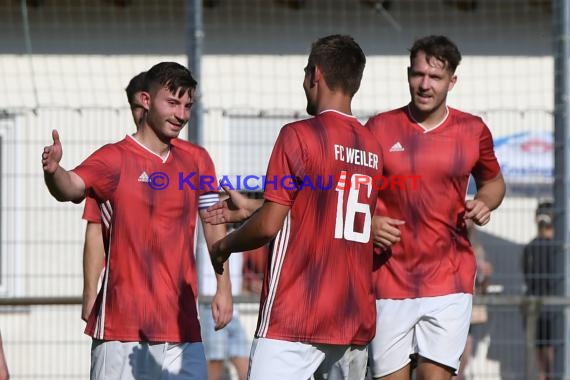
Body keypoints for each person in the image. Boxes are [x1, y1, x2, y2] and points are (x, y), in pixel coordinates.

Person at [205, 34, 383, 380]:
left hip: (297, 317)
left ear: (314, 74)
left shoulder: (298, 135)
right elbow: (321, 210)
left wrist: (225, 245)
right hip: (352, 318)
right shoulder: (372, 147)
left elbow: (272, 226)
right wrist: (253, 208)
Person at [42, 61, 233, 379]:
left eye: (187, 106)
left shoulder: (195, 161)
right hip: (124, 329)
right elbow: (72, 188)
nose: (181, 115)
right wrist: (54, 173)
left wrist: (223, 287)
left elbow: (214, 223)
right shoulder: (114, 158)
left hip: (182, 328)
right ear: (146, 100)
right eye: (172, 103)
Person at [366, 35, 506, 380]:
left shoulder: (472, 130)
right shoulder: (379, 128)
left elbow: (494, 182)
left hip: (449, 279)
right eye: (418, 75)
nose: (424, 85)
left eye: (435, 77)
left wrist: (485, 203)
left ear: (452, 81)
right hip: (389, 280)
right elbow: (352, 192)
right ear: (408, 75)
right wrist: (368, 221)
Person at [81, 71, 148, 322]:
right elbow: (95, 229)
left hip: (174, 303)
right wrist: (89, 295)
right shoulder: (113, 161)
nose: (141, 114)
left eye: (146, 105)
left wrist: (223, 287)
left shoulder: (189, 160)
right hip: (121, 301)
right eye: (135, 107)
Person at [197, 225, 249, 380]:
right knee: (215, 361)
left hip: (233, 308)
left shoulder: (239, 230)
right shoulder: (205, 227)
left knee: (245, 363)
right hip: (210, 305)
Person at [522, 199, 557, 380]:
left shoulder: (530, 248)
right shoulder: (558, 249)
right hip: (552, 309)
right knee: (552, 357)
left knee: (540, 362)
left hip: (535, 308)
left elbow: (527, 277)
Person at [457, 221, 493, 380]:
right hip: (451, 306)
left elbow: (484, 287)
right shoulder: (451, 248)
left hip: (469, 308)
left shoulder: (478, 250)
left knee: (466, 352)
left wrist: (486, 275)